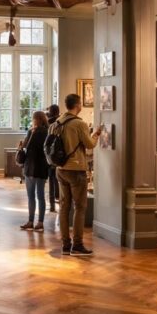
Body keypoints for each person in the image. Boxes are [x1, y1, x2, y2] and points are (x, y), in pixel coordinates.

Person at [54, 93, 102, 256]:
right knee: (80, 207)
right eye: (81, 103)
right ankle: (78, 245)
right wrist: (96, 135)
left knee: (64, 207)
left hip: (60, 169)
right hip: (76, 169)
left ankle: (65, 245)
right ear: (78, 105)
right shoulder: (79, 124)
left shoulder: (57, 122)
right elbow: (89, 145)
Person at [19, 110, 50, 231]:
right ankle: (40, 222)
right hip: (42, 166)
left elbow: (25, 146)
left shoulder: (32, 131)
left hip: (30, 166)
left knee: (31, 196)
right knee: (41, 195)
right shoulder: (47, 132)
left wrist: (21, 144)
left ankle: (30, 221)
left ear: (36, 119)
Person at [46, 104, 61, 214]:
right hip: (59, 154)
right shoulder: (61, 121)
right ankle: (58, 199)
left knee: (51, 180)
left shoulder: (48, 123)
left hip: (50, 155)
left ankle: (52, 205)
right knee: (58, 180)